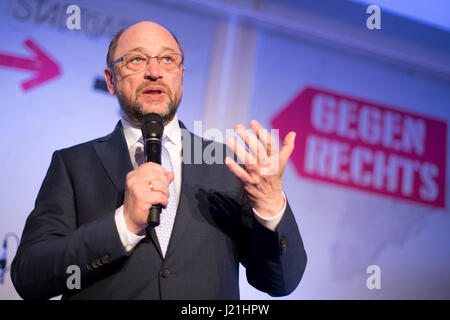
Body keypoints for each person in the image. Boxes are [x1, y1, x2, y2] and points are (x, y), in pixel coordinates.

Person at [11, 21, 307, 300]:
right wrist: (123, 225)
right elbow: (30, 276)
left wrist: (270, 206)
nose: (154, 71)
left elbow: (280, 282)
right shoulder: (74, 164)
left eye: (167, 60)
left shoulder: (227, 164)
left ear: (180, 74)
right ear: (111, 80)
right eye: (136, 60)